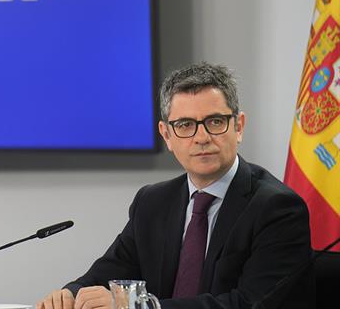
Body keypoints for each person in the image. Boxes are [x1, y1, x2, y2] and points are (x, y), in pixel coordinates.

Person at [37, 63, 313, 309]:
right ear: (167, 135)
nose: (201, 137)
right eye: (185, 125)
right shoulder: (152, 202)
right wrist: (70, 294)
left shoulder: (278, 208)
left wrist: (139, 307)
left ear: (238, 126)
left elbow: (247, 303)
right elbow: (108, 272)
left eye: (215, 122)